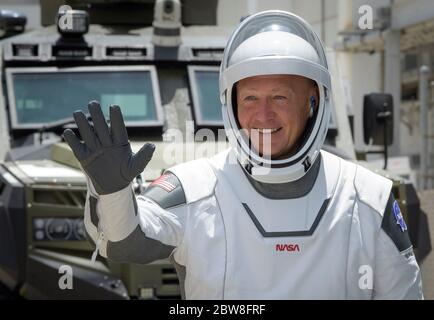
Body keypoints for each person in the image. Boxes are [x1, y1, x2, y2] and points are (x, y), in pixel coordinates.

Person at [63, 10, 423, 299]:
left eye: (280, 97)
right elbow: (120, 243)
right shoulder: (193, 188)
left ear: (314, 101)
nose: (263, 115)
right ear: (231, 105)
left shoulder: (370, 197)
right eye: (250, 98)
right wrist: (110, 193)